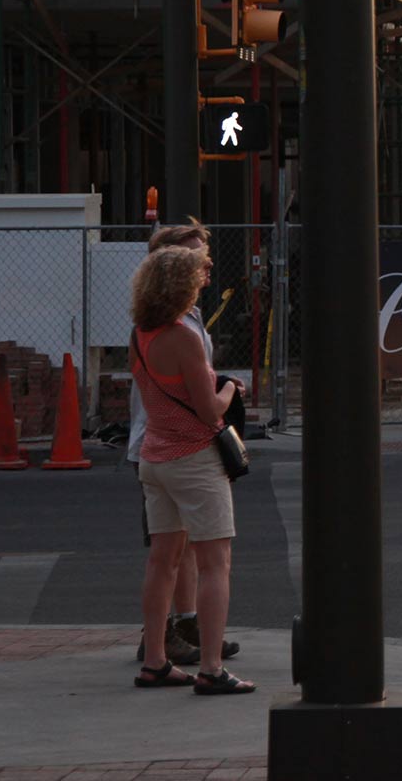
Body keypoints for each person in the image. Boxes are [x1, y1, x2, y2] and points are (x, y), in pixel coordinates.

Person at [130, 244, 254, 694]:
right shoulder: (183, 336)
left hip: (154, 456)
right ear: (180, 284)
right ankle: (212, 668)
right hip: (194, 459)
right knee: (215, 564)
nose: (205, 279)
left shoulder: (141, 332)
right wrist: (230, 389)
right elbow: (208, 411)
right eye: (199, 274)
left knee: (161, 561)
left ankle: (156, 661)